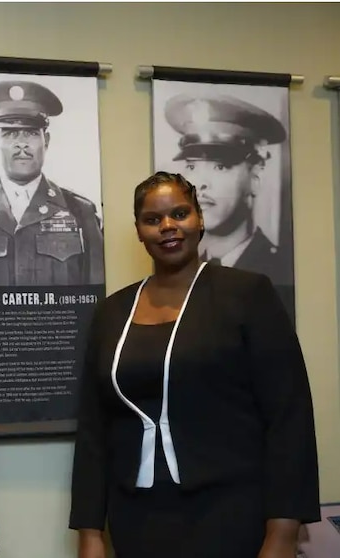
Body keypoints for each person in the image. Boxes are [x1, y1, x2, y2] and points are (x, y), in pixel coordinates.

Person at [69, 171, 319, 558]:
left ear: (199, 219)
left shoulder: (248, 294)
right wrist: (90, 533)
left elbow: (289, 417)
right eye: (152, 219)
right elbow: (94, 431)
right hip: (137, 520)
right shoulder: (112, 312)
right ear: (138, 231)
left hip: (231, 514)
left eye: (180, 213)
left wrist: (283, 531)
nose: (168, 226)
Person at [0, 79, 104, 287]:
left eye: (31, 133)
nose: (22, 144)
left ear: (45, 140)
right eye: (10, 133)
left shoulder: (80, 211)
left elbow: (95, 292)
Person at [164, 92, 291, 285]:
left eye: (220, 166)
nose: (200, 183)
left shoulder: (278, 272)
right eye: (191, 166)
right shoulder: (179, 270)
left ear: (255, 178)